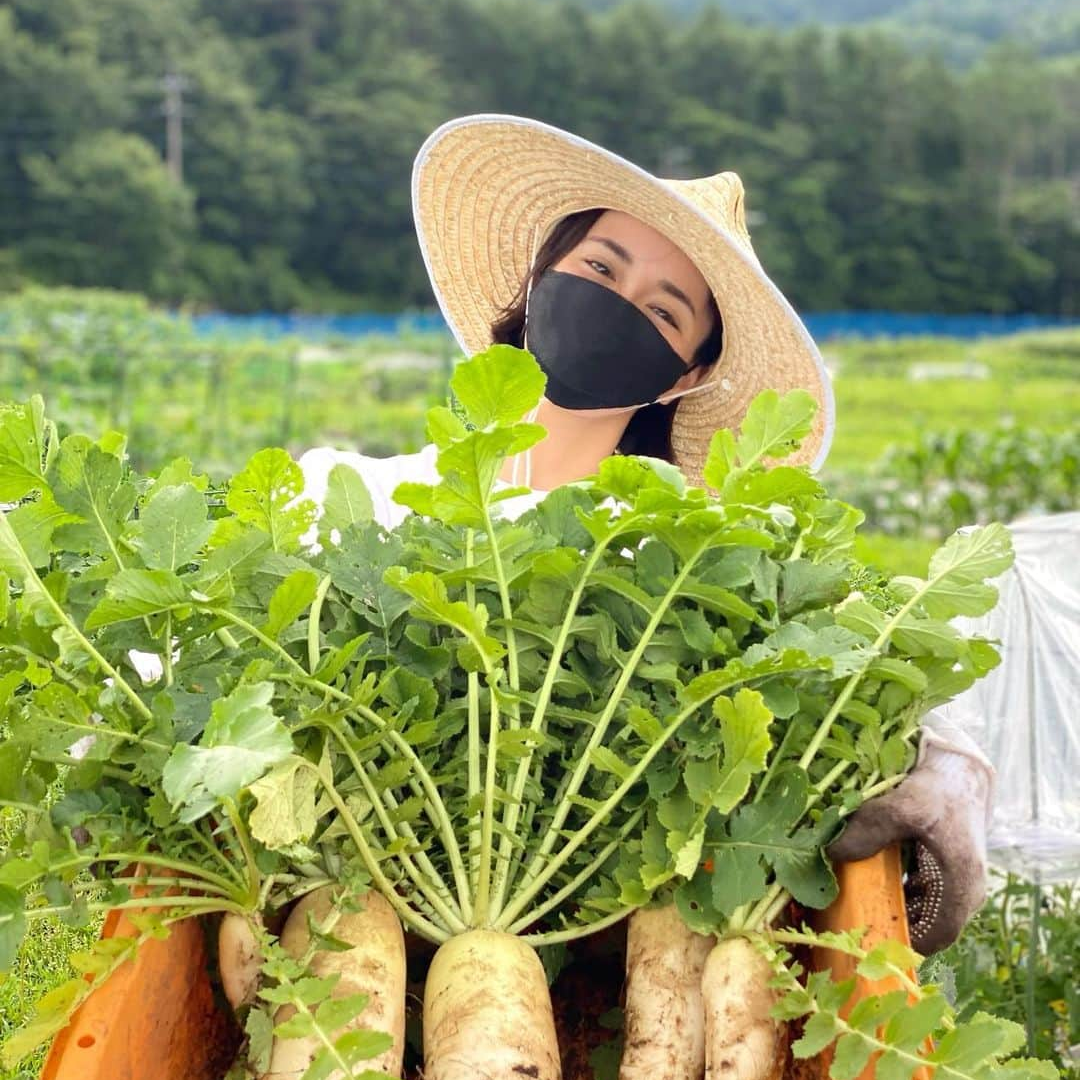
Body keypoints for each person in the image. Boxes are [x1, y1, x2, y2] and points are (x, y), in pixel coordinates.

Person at [298, 112, 993, 954]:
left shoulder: (689, 561)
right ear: (540, 273)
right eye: (599, 267)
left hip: (609, 953)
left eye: (663, 312)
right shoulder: (353, 497)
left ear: (685, 377)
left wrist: (954, 765)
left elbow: (859, 651)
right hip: (355, 931)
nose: (616, 307)